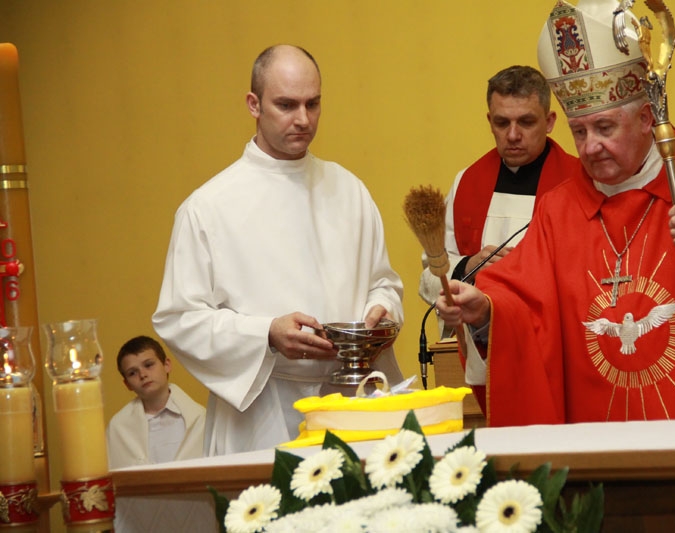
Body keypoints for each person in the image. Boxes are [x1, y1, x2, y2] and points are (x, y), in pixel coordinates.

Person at [434, 0, 675, 426]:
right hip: (593, 446)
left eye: (605, 128)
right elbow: (524, 309)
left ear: (646, 118)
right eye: (579, 131)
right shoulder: (558, 210)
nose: (590, 146)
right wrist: (484, 312)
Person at [152, 44, 404, 455]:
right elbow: (179, 319)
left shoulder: (349, 190)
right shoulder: (209, 207)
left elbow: (383, 282)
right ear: (254, 104)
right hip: (261, 411)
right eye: (286, 105)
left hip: (350, 400)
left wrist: (383, 311)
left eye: (313, 104)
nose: (303, 119)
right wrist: (266, 333)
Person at [417, 65, 578, 304]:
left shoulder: (580, 183)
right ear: (490, 122)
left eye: (526, 122)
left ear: (549, 122)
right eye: (502, 123)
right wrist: (468, 266)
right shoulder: (466, 183)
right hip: (479, 323)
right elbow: (433, 272)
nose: (512, 135)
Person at [106, 336, 205, 469]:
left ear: (166, 365)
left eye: (148, 365)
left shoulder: (200, 419)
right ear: (127, 384)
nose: (143, 375)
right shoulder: (118, 428)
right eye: (132, 373)